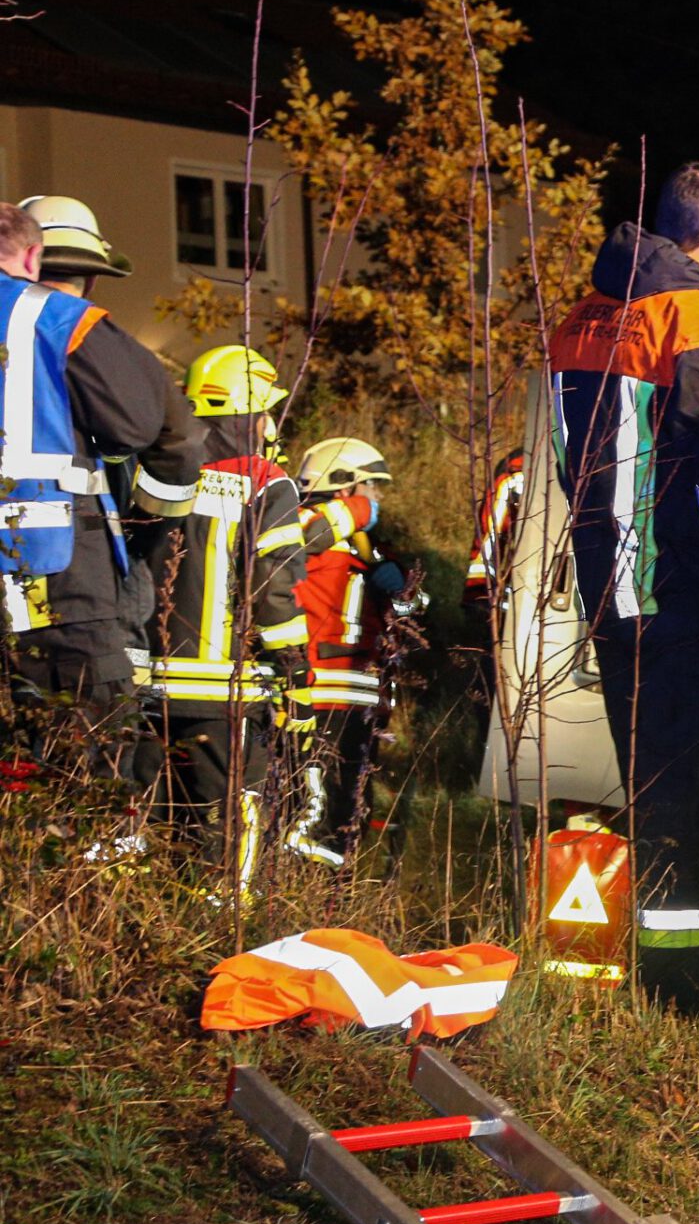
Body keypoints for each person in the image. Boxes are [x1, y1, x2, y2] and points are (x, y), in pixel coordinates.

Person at [549, 161, 699, 1019]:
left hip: (610, 586)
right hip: (686, 592)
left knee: (649, 791)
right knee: (688, 805)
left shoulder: (583, 316)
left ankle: (652, 981)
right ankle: (679, 996)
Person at [0, 198, 201, 779]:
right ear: (32, 258)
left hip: (52, 581)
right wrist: (144, 535)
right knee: (90, 765)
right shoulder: (62, 321)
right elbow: (157, 431)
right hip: (55, 580)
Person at [138, 345, 309, 890]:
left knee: (150, 824)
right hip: (222, 690)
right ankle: (224, 923)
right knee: (228, 829)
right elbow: (273, 587)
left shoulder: (151, 468)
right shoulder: (264, 481)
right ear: (250, 414)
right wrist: (294, 667)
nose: (270, 425)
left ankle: (142, 922)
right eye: (267, 412)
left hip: (143, 685)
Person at [284, 437, 418, 867]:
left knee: (350, 811)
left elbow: (414, 612)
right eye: (370, 486)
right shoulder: (302, 524)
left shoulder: (369, 545)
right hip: (319, 695)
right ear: (343, 486)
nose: (377, 497)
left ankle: (335, 896)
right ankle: (302, 893)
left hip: (359, 702)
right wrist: (354, 511)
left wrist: (403, 591)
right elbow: (302, 537)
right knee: (313, 809)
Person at [463, 444, 526, 701]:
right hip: (519, 603)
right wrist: (479, 592)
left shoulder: (519, 471)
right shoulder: (518, 473)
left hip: (520, 603)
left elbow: (490, 537)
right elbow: (491, 539)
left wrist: (478, 593)